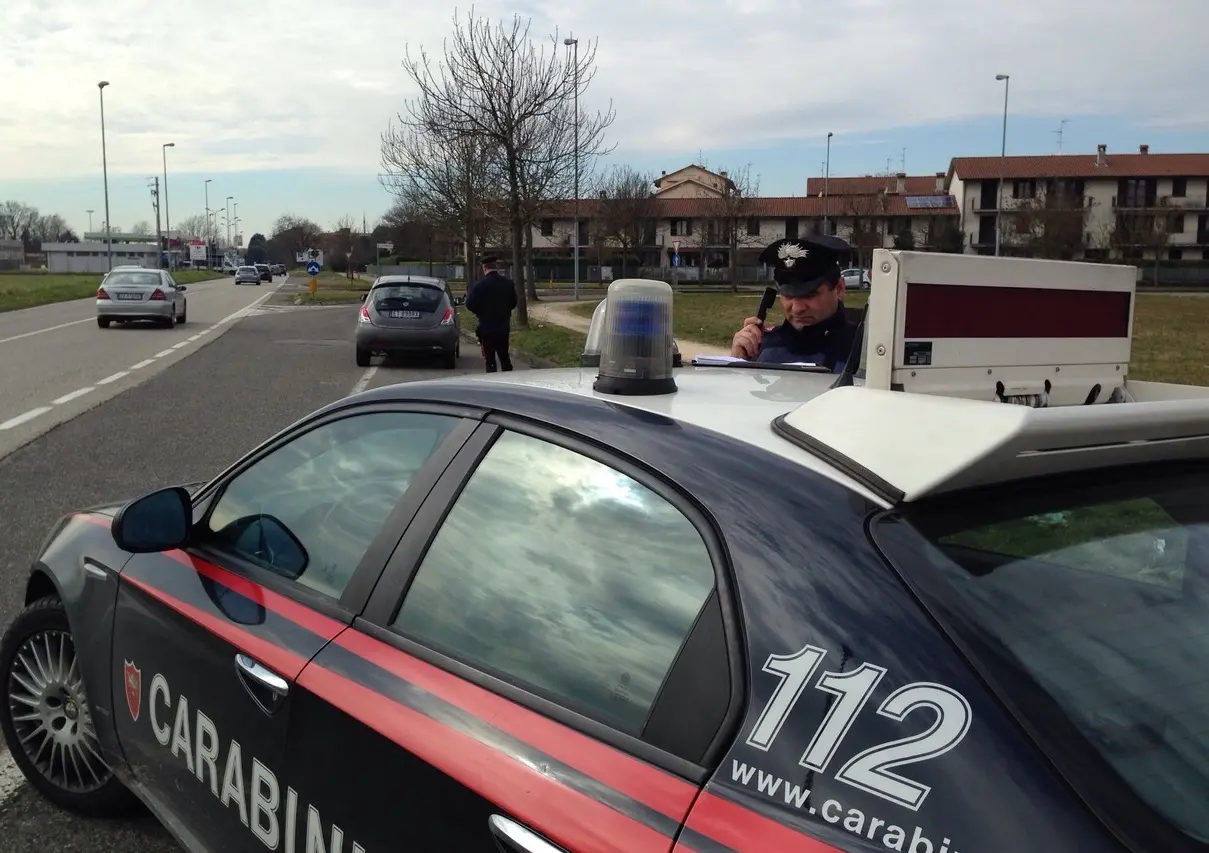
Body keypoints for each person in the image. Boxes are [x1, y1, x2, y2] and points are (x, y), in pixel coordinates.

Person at [730, 235, 859, 373]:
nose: (797, 309)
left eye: (809, 295)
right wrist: (738, 364)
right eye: (788, 295)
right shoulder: (763, 346)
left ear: (839, 288)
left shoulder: (866, 351)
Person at [465, 255, 518, 373]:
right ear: (496, 267)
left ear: (484, 268)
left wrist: (480, 312)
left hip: (486, 328)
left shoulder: (479, 285)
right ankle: (509, 380)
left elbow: (470, 305)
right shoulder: (508, 283)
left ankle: (492, 379)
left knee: (490, 359)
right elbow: (514, 302)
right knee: (504, 357)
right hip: (503, 326)